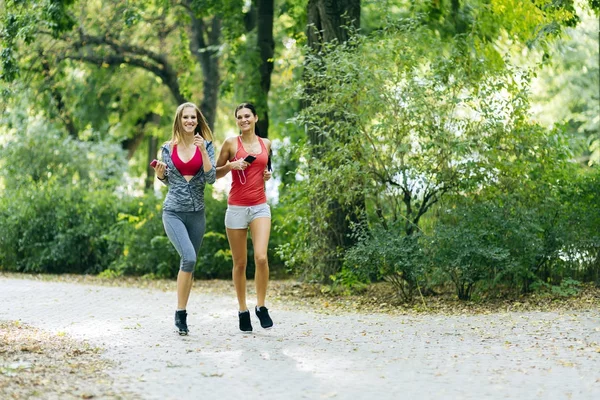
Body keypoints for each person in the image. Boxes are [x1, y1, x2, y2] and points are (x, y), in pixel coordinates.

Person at [152, 102, 216, 336]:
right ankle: (180, 314)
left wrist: (202, 151)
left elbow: (210, 179)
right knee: (188, 258)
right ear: (179, 121)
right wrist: (160, 175)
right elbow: (168, 179)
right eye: (185, 117)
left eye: (193, 117)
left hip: (197, 213)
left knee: (190, 263)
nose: (189, 121)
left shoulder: (207, 145)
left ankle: (182, 311)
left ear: (197, 121)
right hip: (173, 213)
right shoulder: (168, 148)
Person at [216, 102, 274, 332]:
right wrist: (232, 165)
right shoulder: (231, 143)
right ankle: (242, 310)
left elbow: (266, 169)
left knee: (261, 257)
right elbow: (214, 174)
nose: (243, 120)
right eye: (239, 117)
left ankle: (261, 306)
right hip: (237, 208)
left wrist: (268, 175)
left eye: (247, 116)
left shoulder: (266, 143)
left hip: (260, 206)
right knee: (240, 263)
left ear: (256, 118)